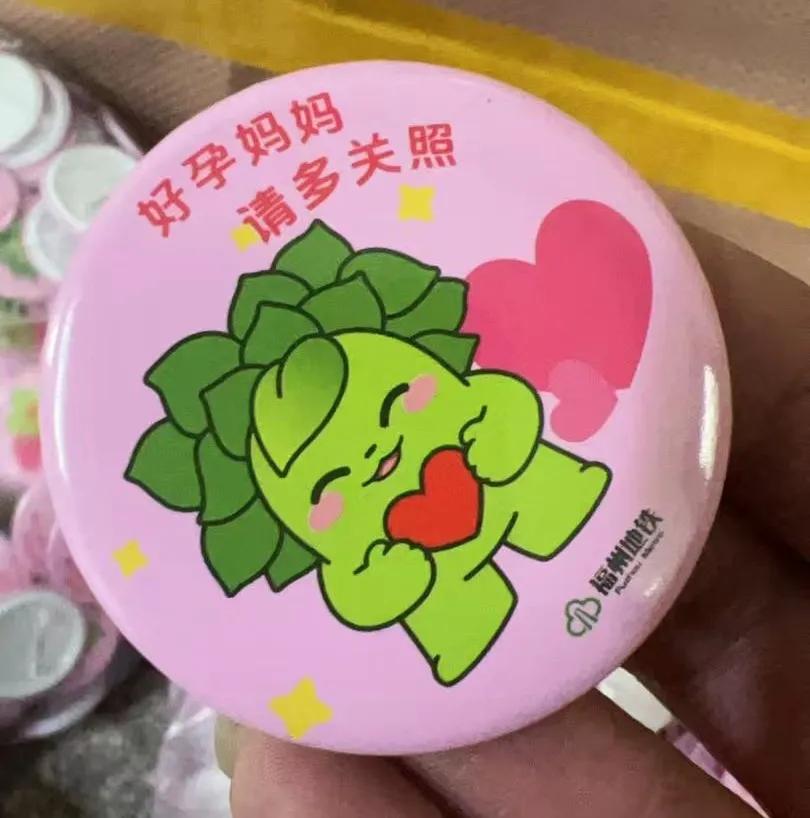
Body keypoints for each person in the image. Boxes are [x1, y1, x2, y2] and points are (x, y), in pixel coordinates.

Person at [214, 227, 809, 818]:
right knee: (459, 620)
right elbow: (358, 594)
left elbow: (508, 406)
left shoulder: (481, 409)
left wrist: (491, 439)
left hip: (591, 521)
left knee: (557, 498)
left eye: (398, 402)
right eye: (330, 483)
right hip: (468, 620)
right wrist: (391, 574)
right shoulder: (363, 578)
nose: (376, 454)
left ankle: (573, 514)